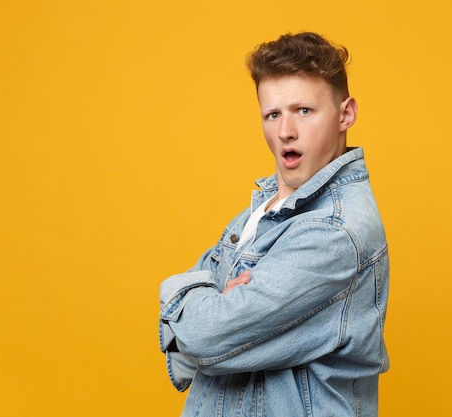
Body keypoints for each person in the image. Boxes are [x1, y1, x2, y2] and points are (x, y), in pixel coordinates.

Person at [159, 31, 390, 417]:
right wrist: (210, 305)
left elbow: (202, 337)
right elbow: (196, 340)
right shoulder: (263, 209)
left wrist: (177, 292)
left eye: (304, 111)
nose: (285, 131)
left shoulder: (334, 230)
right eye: (273, 114)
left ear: (345, 114)